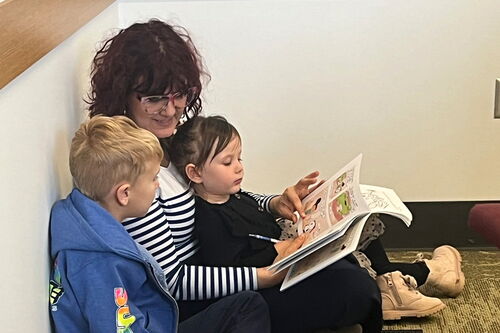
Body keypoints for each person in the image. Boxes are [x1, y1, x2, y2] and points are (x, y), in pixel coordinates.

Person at [86, 18, 462, 326]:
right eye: (154, 98)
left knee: (342, 242)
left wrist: (274, 203)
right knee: (351, 287)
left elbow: (218, 198)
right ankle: (398, 283)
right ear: (124, 95)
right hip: (207, 299)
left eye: (179, 94)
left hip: (231, 262)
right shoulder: (133, 169)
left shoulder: (168, 140)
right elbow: (173, 280)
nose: (171, 109)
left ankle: (396, 281)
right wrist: (265, 276)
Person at [48, 115, 272, 333]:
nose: (157, 186)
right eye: (153, 178)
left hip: (158, 321)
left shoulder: (95, 227)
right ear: (124, 194)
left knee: (246, 304)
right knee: (248, 307)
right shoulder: (96, 262)